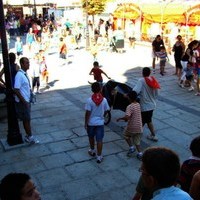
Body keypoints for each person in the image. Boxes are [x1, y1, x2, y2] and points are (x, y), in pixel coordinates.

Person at [13, 57, 39, 144]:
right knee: (26, 119)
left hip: (26, 101)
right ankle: (30, 137)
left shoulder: (24, 74)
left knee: (27, 119)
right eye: (27, 63)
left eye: (28, 62)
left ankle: (28, 136)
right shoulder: (19, 75)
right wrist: (24, 101)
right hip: (23, 102)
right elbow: (16, 89)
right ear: (22, 64)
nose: (29, 64)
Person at [85, 82, 110, 163]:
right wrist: (102, 116)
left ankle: (92, 150)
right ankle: (99, 156)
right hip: (100, 123)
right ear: (101, 89)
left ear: (92, 90)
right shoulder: (104, 100)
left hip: (91, 123)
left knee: (91, 137)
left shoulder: (89, 100)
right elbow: (107, 110)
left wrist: (86, 123)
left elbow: (87, 113)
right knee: (99, 140)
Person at [133, 67, 160, 142]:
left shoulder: (141, 81)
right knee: (145, 120)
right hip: (152, 104)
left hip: (145, 105)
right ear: (149, 73)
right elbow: (157, 93)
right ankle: (137, 133)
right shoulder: (153, 80)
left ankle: (153, 135)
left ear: (142, 73)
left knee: (146, 121)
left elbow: (135, 91)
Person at [116, 91, 143, 160]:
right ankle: (140, 153)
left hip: (132, 127)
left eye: (128, 96)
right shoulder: (138, 104)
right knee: (137, 141)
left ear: (129, 98)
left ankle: (131, 147)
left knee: (125, 135)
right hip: (139, 127)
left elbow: (127, 117)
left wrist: (120, 118)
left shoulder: (129, 107)